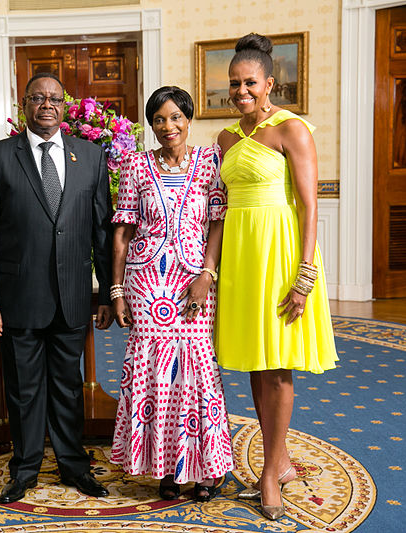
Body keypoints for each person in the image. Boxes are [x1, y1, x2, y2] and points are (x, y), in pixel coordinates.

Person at [0, 72, 114, 504]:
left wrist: (107, 292)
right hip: (18, 298)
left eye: (54, 98)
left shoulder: (90, 156)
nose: (46, 104)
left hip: (71, 297)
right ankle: (25, 467)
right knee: (24, 388)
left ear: (65, 106)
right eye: (37, 98)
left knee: (69, 385)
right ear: (24, 105)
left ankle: (73, 465)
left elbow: (102, 233)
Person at [215, 33, 338, 521]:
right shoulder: (225, 138)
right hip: (242, 259)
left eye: (250, 82)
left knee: (278, 361)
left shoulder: (293, 130)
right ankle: (280, 457)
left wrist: (304, 275)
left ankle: (268, 471)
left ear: (270, 82)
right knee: (254, 358)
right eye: (234, 84)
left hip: (282, 254)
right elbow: (220, 206)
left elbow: (310, 207)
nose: (241, 91)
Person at [109, 86, 233, 502]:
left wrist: (207, 273)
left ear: (189, 118)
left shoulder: (209, 161)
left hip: (194, 278)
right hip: (146, 283)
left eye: (176, 117)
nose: (168, 126)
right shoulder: (135, 164)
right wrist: (117, 290)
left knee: (197, 373)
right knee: (155, 377)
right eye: (159, 119)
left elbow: (217, 221)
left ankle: (201, 468)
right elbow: (122, 233)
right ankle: (164, 468)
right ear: (151, 124)